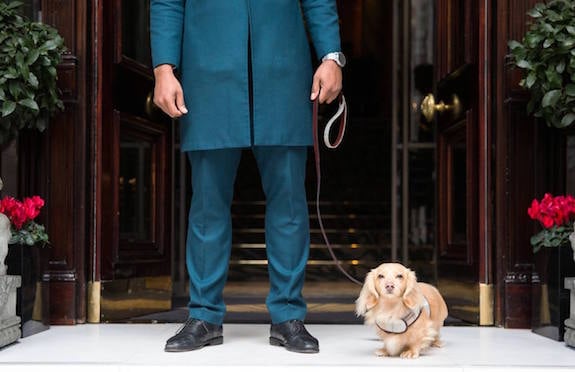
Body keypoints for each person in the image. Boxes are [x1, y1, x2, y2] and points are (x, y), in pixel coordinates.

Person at [150, 0, 345, 354]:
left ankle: (288, 316)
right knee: (207, 205)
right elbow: (167, 2)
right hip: (207, 78)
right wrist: (163, 69)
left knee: (289, 204)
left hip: (284, 75)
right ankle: (204, 316)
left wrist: (331, 57)